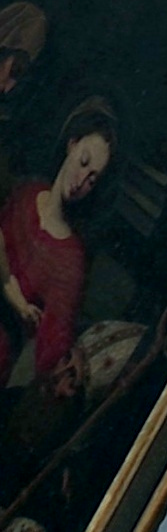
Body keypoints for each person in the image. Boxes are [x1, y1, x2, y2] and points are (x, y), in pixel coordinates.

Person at [0, 98, 112, 398]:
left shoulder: (71, 259)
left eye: (92, 179)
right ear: (72, 145)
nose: (81, 181)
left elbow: (54, 342)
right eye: (84, 162)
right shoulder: (28, 192)